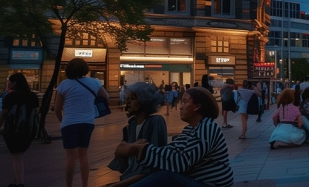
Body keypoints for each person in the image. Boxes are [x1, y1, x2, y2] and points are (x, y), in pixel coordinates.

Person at [114, 87, 234, 187]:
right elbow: (172, 151)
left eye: (185, 102)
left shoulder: (207, 128)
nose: (181, 107)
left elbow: (181, 161)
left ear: (197, 106)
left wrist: (141, 150)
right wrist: (140, 147)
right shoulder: (191, 129)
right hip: (197, 180)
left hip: (210, 184)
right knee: (161, 170)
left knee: (165, 177)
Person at [55, 57, 110, 187]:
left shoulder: (64, 85)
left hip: (69, 123)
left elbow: (57, 108)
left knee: (70, 157)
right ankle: (84, 184)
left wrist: (62, 121)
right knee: (83, 156)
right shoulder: (94, 83)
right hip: (87, 123)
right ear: (85, 69)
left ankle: (69, 185)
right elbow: (106, 97)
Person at [106, 82, 168, 187]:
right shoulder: (130, 126)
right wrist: (122, 150)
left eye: (133, 99)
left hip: (148, 180)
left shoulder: (155, 122)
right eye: (128, 98)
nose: (128, 102)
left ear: (143, 102)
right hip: (129, 178)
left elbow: (151, 167)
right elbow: (124, 165)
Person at [0, 73, 39, 187]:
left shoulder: (10, 97)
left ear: (14, 83)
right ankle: (16, 180)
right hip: (29, 130)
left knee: (16, 156)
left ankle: (20, 183)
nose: (8, 83)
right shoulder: (32, 96)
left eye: (9, 81)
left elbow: (4, 114)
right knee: (19, 155)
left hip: (13, 130)